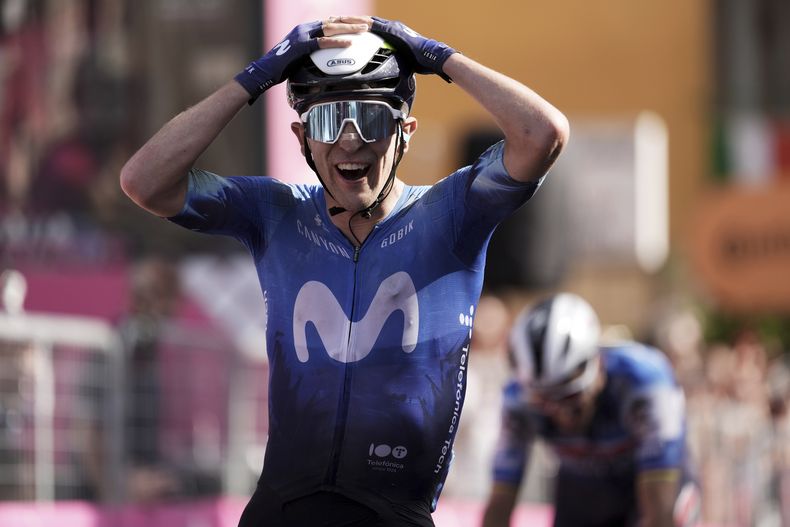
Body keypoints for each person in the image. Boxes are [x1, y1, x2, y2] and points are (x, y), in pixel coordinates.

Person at [120, 15, 568, 527]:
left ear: (405, 132)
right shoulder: (275, 212)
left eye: (372, 120)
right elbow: (144, 181)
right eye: (327, 122)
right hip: (281, 510)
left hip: (393, 514)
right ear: (301, 138)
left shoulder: (453, 214)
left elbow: (543, 133)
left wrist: (438, 57)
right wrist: (256, 77)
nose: (350, 142)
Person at [481, 293, 701, 527]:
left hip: (648, 478)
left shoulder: (644, 383)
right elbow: (499, 505)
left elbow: (659, 514)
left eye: (569, 396)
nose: (559, 412)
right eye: (543, 401)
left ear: (596, 366)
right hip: (582, 485)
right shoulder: (517, 399)